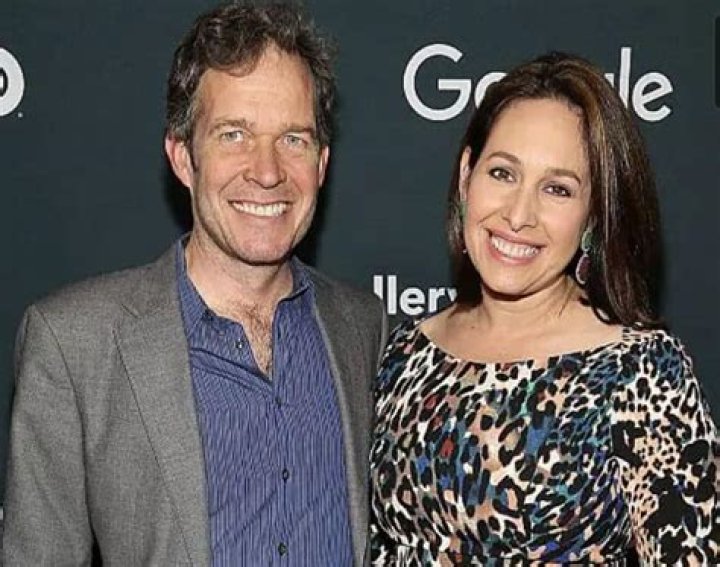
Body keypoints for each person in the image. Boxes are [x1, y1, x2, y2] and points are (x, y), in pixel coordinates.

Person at [4, 2, 387, 565]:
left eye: (293, 139)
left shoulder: (364, 327)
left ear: (322, 163)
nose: (267, 171)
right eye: (234, 135)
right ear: (183, 157)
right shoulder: (75, 343)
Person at [370, 52, 718, 565]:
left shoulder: (640, 371)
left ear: (594, 215)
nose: (519, 214)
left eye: (557, 189)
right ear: (467, 176)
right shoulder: (406, 353)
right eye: (502, 173)